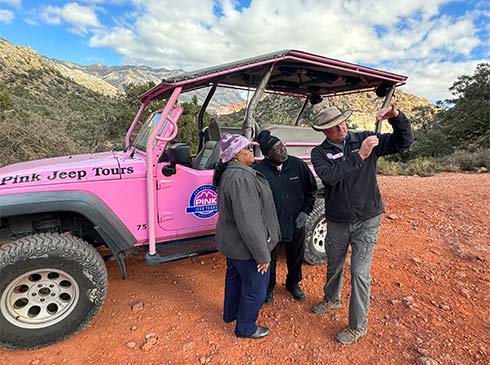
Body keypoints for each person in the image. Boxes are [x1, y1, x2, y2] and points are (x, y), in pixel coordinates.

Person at [310, 105, 414, 345]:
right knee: (334, 263)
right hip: (336, 220)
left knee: (359, 272)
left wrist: (397, 118)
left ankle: (358, 326)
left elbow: (404, 142)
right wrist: (360, 157)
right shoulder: (319, 153)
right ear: (324, 131)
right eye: (333, 127)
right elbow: (330, 177)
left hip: (367, 220)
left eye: (342, 122)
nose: (341, 128)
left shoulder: (366, 139)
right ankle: (331, 299)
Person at [213, 133, 281, 339]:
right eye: (247, 149)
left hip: (233, 245)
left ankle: (231, 314)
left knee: (234, 279)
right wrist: (262, 255)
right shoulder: (242, 177)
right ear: (234, 155)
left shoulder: (231, 173)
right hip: (246, 248)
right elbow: (249, 221)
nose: (252, 152)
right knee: (255, 288)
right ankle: (246, 327)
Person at [254, 130, 317, 304]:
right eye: (277, 149)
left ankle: (293, 283)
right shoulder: (258, 172)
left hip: (297, 222)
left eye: (282, 145)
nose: (283, 150)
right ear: (267, 155)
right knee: (270, 259)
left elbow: (311, 191)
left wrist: (305, 212)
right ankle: (268, 288)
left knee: (296, 255)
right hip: (272, 227)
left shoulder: (298, 165)